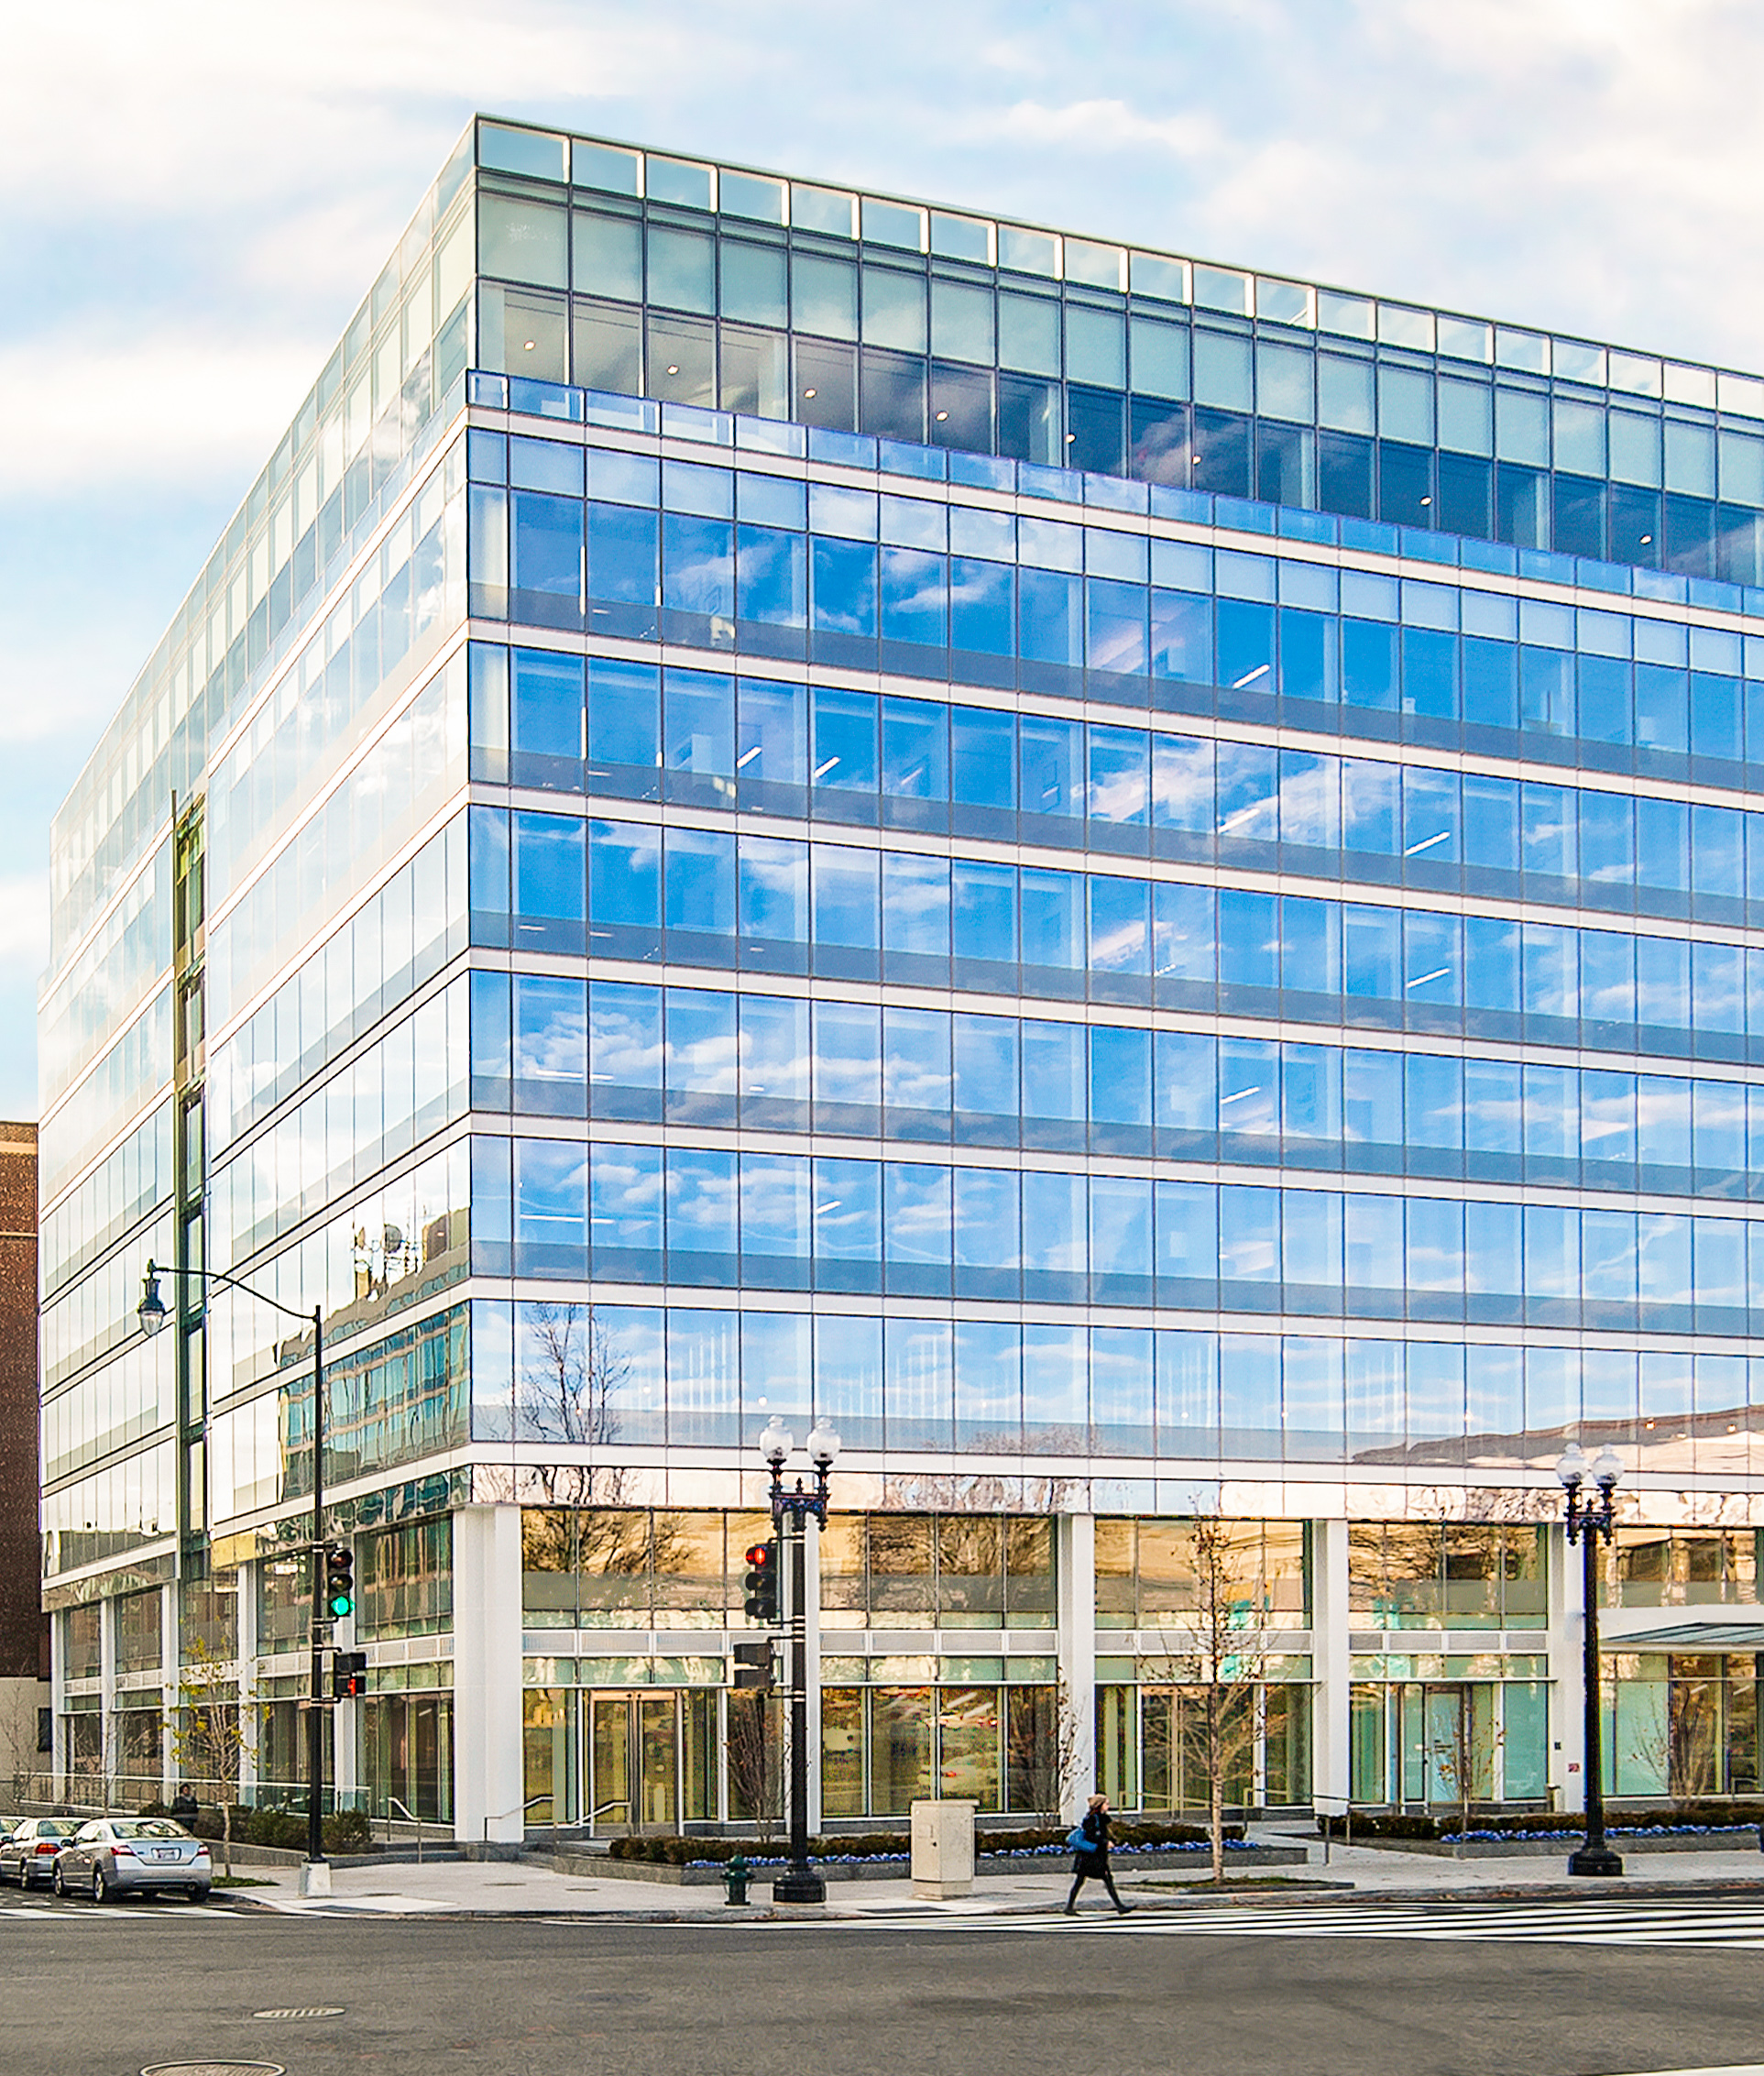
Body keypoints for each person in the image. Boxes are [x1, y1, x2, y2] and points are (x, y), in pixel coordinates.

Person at [1064, 1792, 1132, 1916]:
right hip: (1091, 1856)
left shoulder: (1100, 1819)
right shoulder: (1092, 1819)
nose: (1108, 1806)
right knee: (1098, 1879)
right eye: (1106, 1804)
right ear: (1099, 1805)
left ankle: (1119, 1906)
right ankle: (1119, 1906)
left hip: (1094, 1855)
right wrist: (1104, 1843)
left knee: (1086, 1880)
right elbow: (1092, 1836)